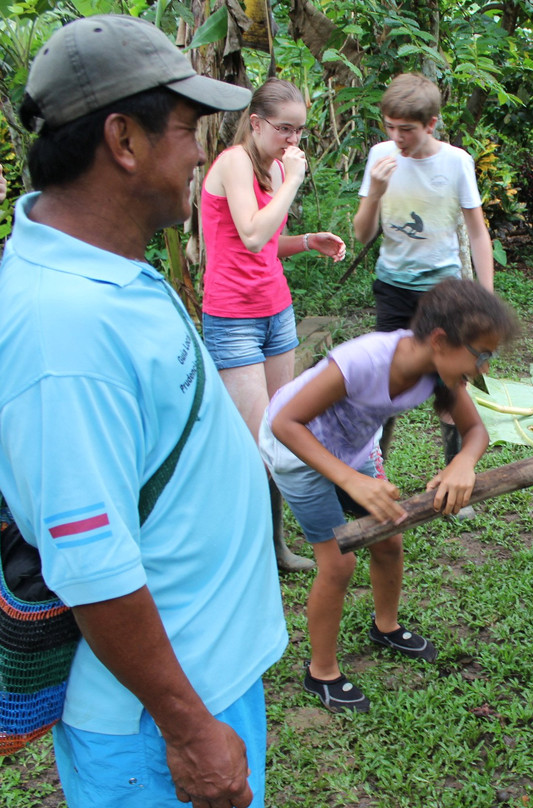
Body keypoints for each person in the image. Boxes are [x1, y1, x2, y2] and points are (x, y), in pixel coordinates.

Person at [0, 15, 288, 808]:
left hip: (203, 676)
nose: (199, 154)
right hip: (155, 723)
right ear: (123, 141)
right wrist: (190, 728)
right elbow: (91, 566)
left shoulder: (108, 268)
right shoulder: (67, 334)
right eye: (188, 130)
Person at [259, 279, 517, 712]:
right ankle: (321, 671)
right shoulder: (363, 361)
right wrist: (351, 480)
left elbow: (476, 431)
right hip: (297, 453)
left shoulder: (439, 373)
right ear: (439, 340)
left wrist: (462, 463)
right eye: (482, 355)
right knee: (338, 565)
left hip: (355, 450)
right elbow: (287, 423)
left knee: (389, 540)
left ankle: (386, 626)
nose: (484, 369)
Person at [201, 78, 346, 572]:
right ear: (256, 122)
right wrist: (290, 184)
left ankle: (276, 549)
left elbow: (268, 242)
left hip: (275, 312)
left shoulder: (277, 165)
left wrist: (306, 240)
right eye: (284, 129)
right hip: (232, 317)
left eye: (299, 130)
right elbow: (249, 234)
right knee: (259, 442)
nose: (293, 140)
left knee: (282, 433)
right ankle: (245, 553)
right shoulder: (235, 163)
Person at [352, 73, 495, 498]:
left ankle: (455, 480)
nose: (396, 137)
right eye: (389, 126)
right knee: (386, 382)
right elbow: (362, 234)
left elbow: (478, 233)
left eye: (407, 129)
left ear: (431, 123)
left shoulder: (455, 162)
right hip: (393, 287)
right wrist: (375, 191)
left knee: (452, 383)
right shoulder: (380, 157)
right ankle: (375, 478)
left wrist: (484, 298)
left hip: (444, 292)